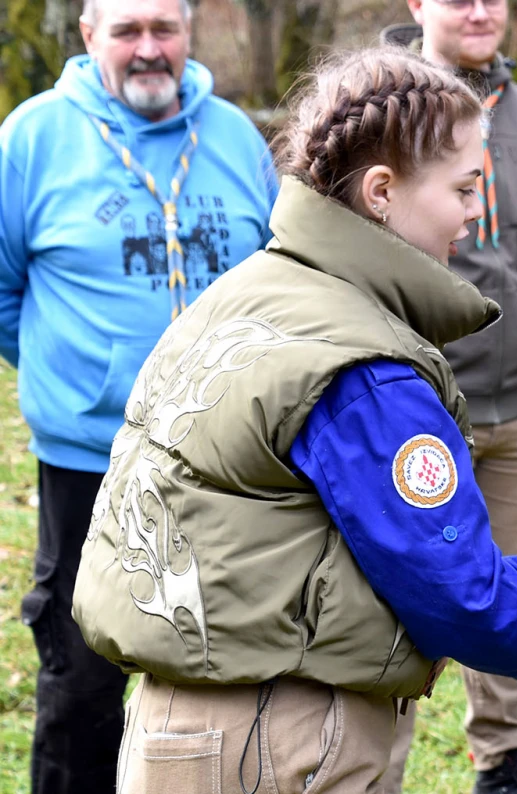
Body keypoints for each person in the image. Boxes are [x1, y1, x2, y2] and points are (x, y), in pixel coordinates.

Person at [71, 47, 517, 794]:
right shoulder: (362, 371)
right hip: (278, 737)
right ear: (383, 191)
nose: (475, 211)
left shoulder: (247, 294)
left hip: (175, 724)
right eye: (463, 187)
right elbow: (457, 588)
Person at [0, 0, 276, 790]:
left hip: (230, 462)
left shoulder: (234, 137)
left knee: (217, 674)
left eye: (166, 29)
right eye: (127, 31)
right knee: (84, 682)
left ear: (191, 33)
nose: (149, 49)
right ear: (89, 36)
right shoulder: (31, 138)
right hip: (92, 464)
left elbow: (282, 275)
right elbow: (2, 289)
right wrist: (79, 381)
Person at [383, 0, 517, 789]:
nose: (480, 9)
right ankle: (370, 758)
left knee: (515, 581)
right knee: (399, 586)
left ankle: (501, 761)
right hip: (417, 405)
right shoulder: (383, 110)